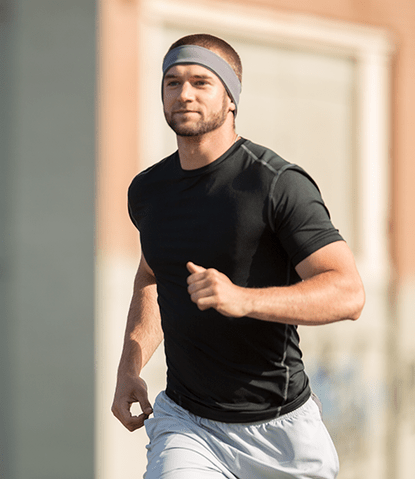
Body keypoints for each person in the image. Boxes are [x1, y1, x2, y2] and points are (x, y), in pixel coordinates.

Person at [111, 33, 365, 479]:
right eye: (172, 82)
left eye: (200, 82)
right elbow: (153, 274)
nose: (183, 93)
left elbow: (347, 292)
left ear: (231, 98)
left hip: (280, 431)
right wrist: (130, 364)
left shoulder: (277, 184)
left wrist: (244, 300)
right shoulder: (149, 192)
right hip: (187, 424)